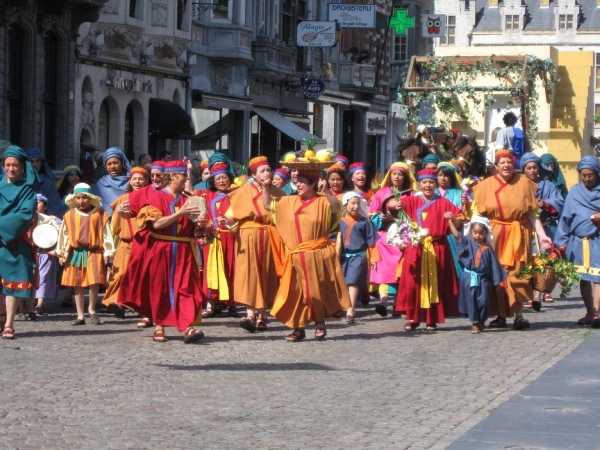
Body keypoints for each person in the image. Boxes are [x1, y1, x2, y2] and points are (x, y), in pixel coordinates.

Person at [118, 160, 205, 343]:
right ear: (172, 177)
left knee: (186, 289)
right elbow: (156, 224)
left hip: (183, 250)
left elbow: (198, 224)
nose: (186, 179)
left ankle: (187, 326)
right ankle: (159, 325)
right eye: (183, 175)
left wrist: (203, 229)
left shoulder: (189, 198)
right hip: (161, 249)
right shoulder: (156, 198)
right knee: (160, 288)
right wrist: (179, 214)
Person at [263, 166, 351, 341]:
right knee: (296, 293)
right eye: (297, 181)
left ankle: (319, 322)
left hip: (317, 254)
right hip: (296, 254)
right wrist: (265, 187)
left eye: (302, 182)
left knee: (315, 291)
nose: (298, 184)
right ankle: (298, 328)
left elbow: (337, 208)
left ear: (313, 184)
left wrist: (326, 190)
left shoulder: (323, 201)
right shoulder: (289, 201)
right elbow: (268, 205)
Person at [470, 149, 552, 330]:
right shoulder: (485, 186)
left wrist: (542, 235)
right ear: (496, 166)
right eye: (502, 163)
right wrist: (476, 238)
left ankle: (519, 315)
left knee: (518, 275)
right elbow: (476, 216)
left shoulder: (524, 183)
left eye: (509, 162)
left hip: (518, 234)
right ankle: (500, 315)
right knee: (497, 276)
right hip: (494, 235)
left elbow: (532, 213)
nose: (506, 165)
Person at [394, 168, 461, 331]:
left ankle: (432, 318)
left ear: (436, 184)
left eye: (431, 182)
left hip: (437, 247)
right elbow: (393, 209)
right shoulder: (411, 201)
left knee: (435, 282)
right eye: (424, 182)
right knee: (413, 283)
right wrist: (396, 206)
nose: (427, 185)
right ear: (419, 184)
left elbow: (459, 221)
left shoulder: (444, 202)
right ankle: (412, 317)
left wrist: (452, 219)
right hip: (415, 247)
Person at [224, 156, 284, 333]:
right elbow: (232, 217)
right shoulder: (240, 193)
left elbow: (282, 217)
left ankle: (262, 315)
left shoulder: (279, 194)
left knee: (266, 273)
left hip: (270, 236)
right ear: (254, 175)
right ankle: (250, 314)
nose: (266, 173)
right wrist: (226, 220)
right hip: (247, 237)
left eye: (268, 170)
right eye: (262, 171)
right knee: (249, 274)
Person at [56, 183, 116, 326]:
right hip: (76, 252)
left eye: (84, 197)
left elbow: (106, 234)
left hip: (94, 252)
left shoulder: (100, 214)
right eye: (78, 198)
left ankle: (92, 309)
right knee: (77, 284)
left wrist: (108, 251)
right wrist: (62, 252)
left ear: (90, 198)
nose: (81, 201)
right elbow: (64, 235)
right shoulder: (69, 215)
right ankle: (80, 314)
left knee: (94, 281)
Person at [554, 156, 600, 327]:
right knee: (584, 278)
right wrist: (561, 243)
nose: (587, 179)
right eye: (584, 175)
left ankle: (596, 313)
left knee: (598, 277)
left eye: (591, 175)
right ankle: (589, 312)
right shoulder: (574, 192)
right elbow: (565, 218)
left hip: (597, 240)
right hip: (578, 242)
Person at [0, 146, 39, 339]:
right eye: (7, 164)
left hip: (14, 241)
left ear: (22, 166)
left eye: (15, 165)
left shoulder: (27, 190)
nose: (11, 168)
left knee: (12, 284)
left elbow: (25, 215)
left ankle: (9, 323)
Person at [368, 162, 417, 317]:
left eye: (400, 174)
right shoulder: (381, 193)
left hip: (402, 237)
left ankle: (397, 304)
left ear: (406, 177)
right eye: (394, 174)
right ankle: (383, 301)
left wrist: (400, 218)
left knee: (400, 271)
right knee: (384, 270)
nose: (397, 177)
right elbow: (371, 214)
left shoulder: (411, 195)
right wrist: (380, 217)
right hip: (384, 238)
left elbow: (415, 214)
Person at [446, 214, 507, 333]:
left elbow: (494, 267)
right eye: (475, 233)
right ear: (471, 232)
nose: (477, 236)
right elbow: (456, 235)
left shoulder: (488, 249)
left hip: (482, 279)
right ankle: (474, 323)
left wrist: (496, 283)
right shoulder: (467, 242)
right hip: (468, 277)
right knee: (471, 300)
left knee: (483, 301)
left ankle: (481, 321)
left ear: (485, 234)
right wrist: (450, 221)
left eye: (480, 233)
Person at [102, 167, 149, 318]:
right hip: (126, 243)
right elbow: (115, 226)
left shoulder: (150, 198)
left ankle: (140, 306)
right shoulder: (122, 199)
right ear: (129, 181)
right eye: (134, 179)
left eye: (141, 179)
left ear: (146, 181)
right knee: (120, 274)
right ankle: (117, 303)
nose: (137, 182)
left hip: (144, 243)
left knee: (140, 275)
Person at [520, 153, 564, 307]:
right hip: (524, 230)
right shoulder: (518, 185)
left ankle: (538, 295)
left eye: (535, 167)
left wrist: (545, 204)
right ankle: (527, 295)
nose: (532, 170)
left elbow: (559, 202)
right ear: (523, 169)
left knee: (542, 262)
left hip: (544, 229)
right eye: (529, 168)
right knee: (526, 263)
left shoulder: (548, 185)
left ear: (539, 168)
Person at [196, 162, 238, 318]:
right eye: (218, 178)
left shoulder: (236, 194)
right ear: (213, 181)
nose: (221, 181)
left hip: (231, 237)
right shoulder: (206, 195)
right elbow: (187, 195)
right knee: (210, 270)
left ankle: (232, 303)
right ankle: (210, 304)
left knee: (231, 269)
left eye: (224, 177)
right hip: (213, 238)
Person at [339, 192, 380, 324]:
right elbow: (333, 238)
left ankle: (351, 310)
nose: (356, 206)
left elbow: (371, 242)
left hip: (358, 256)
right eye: (353, 203)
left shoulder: (365, 221)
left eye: (358, 203)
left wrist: (374, 258)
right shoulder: (339, 221)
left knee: (352, 281)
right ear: (346, 204)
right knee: (342, 282)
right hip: (342, 257)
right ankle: (342, 305)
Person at [32, 194, 61, 316]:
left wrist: (56, 251)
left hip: (46, 253)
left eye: (38, 202)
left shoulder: (53, 220)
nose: (36, 205)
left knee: (43, 277)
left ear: (45, 205)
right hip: (31, 253)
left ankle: (40, 304)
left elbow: (61, 235)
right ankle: (27, 303)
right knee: (30, 277)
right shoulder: (28, 218)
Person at [91, 147, 131, 216]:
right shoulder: (99, 185)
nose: (112, 166)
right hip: (107, 223)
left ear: (122, 163)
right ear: (105, 166)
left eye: (115, 163)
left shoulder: (132, 181)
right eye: (109, 164)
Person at [26, 149, 63, 217]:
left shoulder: (48, 181)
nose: (35, 164)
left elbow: (55, 205)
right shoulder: (22, 180)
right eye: (32, 161)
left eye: (37, 161)